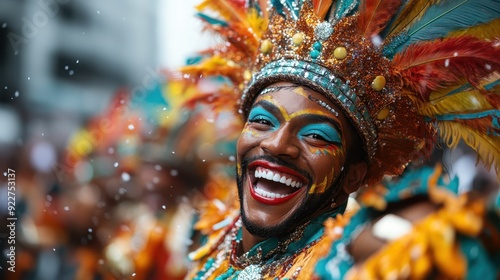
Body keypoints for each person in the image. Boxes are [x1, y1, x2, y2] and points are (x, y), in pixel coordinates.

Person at [179, 0, 500, 279]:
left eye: (316, 136)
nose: (277, 145)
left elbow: (434, 239)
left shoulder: (343, 258)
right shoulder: (219, 239)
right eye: (262, 121)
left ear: (354, 175)